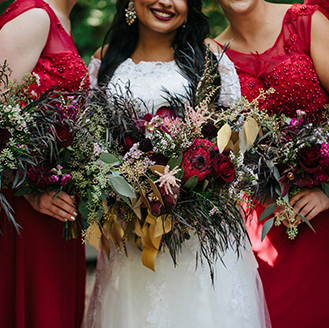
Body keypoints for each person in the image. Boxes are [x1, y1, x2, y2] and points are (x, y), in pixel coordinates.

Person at [83, 1, 271, 327]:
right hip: (132, 236)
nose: (166, 2)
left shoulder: (210, 60)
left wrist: (198, 185)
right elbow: (91, 143)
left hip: (201, 236)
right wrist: (124, 186)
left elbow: (236, 143)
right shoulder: (105, 60)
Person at [214, 1, 329, 327]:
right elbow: (226, 143)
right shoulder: (213, 54)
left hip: (319, 217)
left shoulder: (306, 23)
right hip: (258, 220)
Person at [0, 0, 89, 327]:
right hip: (22, 209)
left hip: (56, 204)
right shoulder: (34, 15)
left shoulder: (61, 15)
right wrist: (29, 188)